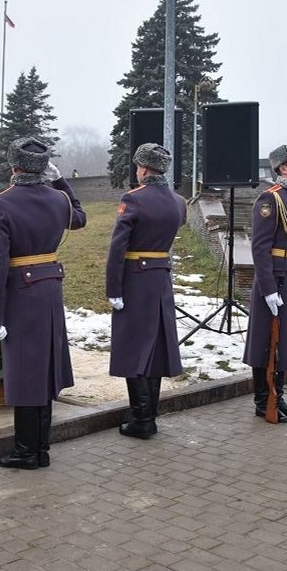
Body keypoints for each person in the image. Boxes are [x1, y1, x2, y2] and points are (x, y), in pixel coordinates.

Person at [0, 138, 86, 469]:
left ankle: (26, 451)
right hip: (50, 289)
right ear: (44, 167)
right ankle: (40, 448)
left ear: (14, 166)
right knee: (43, 369)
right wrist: (59, 181)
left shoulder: (2, 203)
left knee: (26, 371)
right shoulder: (58, 199)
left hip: (20, 293)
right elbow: (80, 217)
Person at [105, 143, 186, 438]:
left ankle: (142, 420)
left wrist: (113, 287)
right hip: (160, 278)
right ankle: (148, 415)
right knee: (154, 350)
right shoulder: (178, 201)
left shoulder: (134, 199)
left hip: (134, 280)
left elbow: (118, 247)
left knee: (133, 348)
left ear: (143, 168)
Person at [242, 143, 287, 423]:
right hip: (276, 280)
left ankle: (278, 395)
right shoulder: (271, 199)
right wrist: (268, 288)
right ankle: (263, 400)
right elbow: (260, 247)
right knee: (265, 341)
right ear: (283, 168)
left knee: (285, 340)